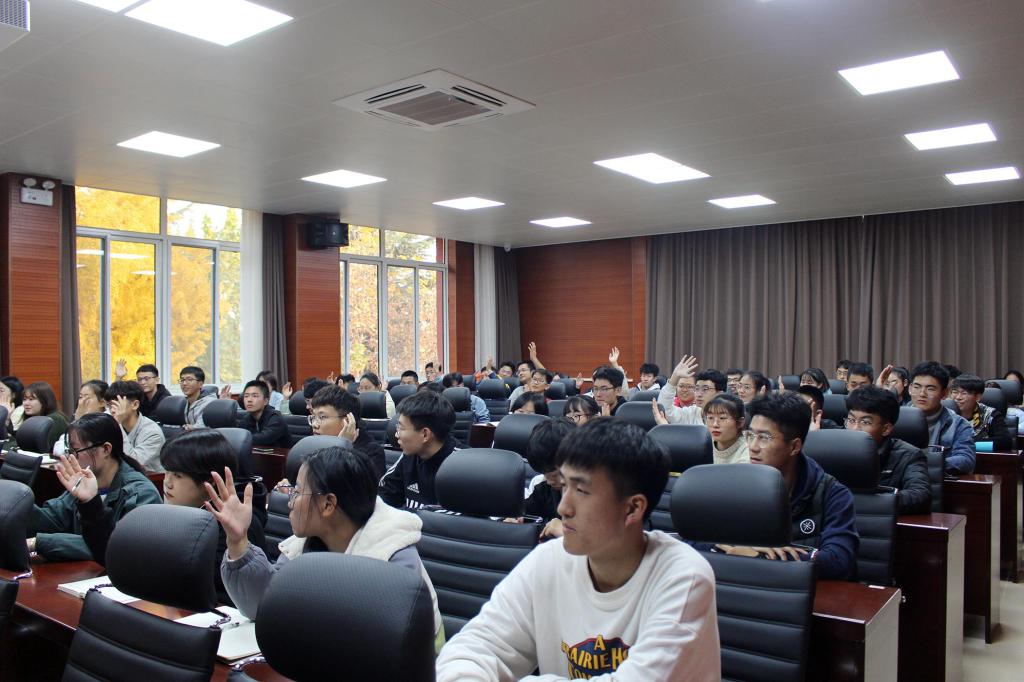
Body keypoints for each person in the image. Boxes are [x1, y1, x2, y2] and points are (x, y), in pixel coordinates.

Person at [436, 419, 720, 680]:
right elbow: (477, 646)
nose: (563, 507)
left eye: (581, 491)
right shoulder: (548, 560)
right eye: (563, 486)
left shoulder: (683, 577)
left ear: (632, 508)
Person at [208, 447, 445, 650]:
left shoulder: (394, 557)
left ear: (328, 504)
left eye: (297, 491)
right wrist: (238, 541)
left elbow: (384, 648)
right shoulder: (305, 543)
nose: (290, 502)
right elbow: (265, 606)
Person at [57, 428, 267, 605]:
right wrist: (91, 503)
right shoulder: (173, 514)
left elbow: (222, 595)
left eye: (178, 475)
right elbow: (123, 561)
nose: (167, 483)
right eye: (167, 472)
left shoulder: (238, 526)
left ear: (209, 483)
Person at [715, 393, 859, 581]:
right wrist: (740, 550)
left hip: (798, 591)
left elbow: (839, 561)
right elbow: (694, 540)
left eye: (764, 437)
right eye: (750, 435)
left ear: (794, 447)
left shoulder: (832, 494)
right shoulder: (735, 485)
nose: (753, 447)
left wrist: (761, 556)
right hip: (742, 585)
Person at [31, 413, 161, 561]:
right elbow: (51, 518)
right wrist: (16, 504)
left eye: (75, 451)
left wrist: (37, 542)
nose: (70, 458)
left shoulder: (141, 493)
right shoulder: (83, 480)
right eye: (69, 451)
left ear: (106, 449)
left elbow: (116, 547)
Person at [844, 387, 931, 514]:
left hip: (879, 520)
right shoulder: (835, 450)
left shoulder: (909, 455)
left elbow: (920, 495)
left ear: (886, 429)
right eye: (851, 420)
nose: (855, 429)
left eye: (865, 422)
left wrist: (870, 501)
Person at [379, 391, 459, 509]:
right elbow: (385, 494)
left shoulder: (461, 466)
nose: (396, 434)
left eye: (401, 428)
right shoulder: (410, 454)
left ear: (425, 434)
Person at [909, 361, 975, 474]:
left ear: (944, 393)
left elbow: (965, 460)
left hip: (934, 480)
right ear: (910, 389)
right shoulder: (896, 418)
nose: (922, 394)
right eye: (917, 387)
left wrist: (922, 464)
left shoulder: (959, 424)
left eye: (930, 389)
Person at [308, 385, 385, 479]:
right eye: (313, 417)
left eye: (322, 417)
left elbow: (352, 486)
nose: (314, 424)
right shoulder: (315, 444)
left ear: (347, 421)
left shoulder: (372, 452)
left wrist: (343, 447)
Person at [520, 418, 575, 539]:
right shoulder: (544, 489)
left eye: (555, 475)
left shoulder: (598, 496)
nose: (549, 481)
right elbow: (523, 512)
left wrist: (566, 532)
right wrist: (514, 519)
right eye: (545, 474)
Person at [105, 380, 165, 472]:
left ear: (135, 405)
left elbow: (132, 462)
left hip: (149, 478)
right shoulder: (114, 423)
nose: (112, 410)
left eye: (118, 405)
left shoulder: (153, 432)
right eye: (110, 405)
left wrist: (117, 424)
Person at [950, 374, 1013, 449]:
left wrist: (968, 444)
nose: (958, 397)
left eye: (964, 393)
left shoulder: (990, 415)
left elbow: (1005, 442)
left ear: (977, 397)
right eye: (955, 392)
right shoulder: (946, 413)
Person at [239, 380, 290, 448]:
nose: (249, 400)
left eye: (255, 396)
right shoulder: (246, 419)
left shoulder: (276, 418)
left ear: (265, 401)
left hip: (280, 454)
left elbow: (263, 439)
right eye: (246, 396)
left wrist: (239, 439)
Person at [20, 382, 69, 452]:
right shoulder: (32, 418)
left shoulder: (55, 419)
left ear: (45, 400)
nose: (26, 403)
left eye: (31, 399)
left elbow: (35, 445)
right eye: (24, 399)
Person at [703, 394, 749, 464]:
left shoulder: (747, 452)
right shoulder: (702, 446)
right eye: (710, 418)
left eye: (722, 418)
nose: (715, 424)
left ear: (740, 422)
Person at [658, 355, 704, 425]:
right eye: (681, 386)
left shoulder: (699, 407)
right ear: (676, 387)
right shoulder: (671, 403)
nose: (684, 390)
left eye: (689, 387)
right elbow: (664, 409)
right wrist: (675, 376)